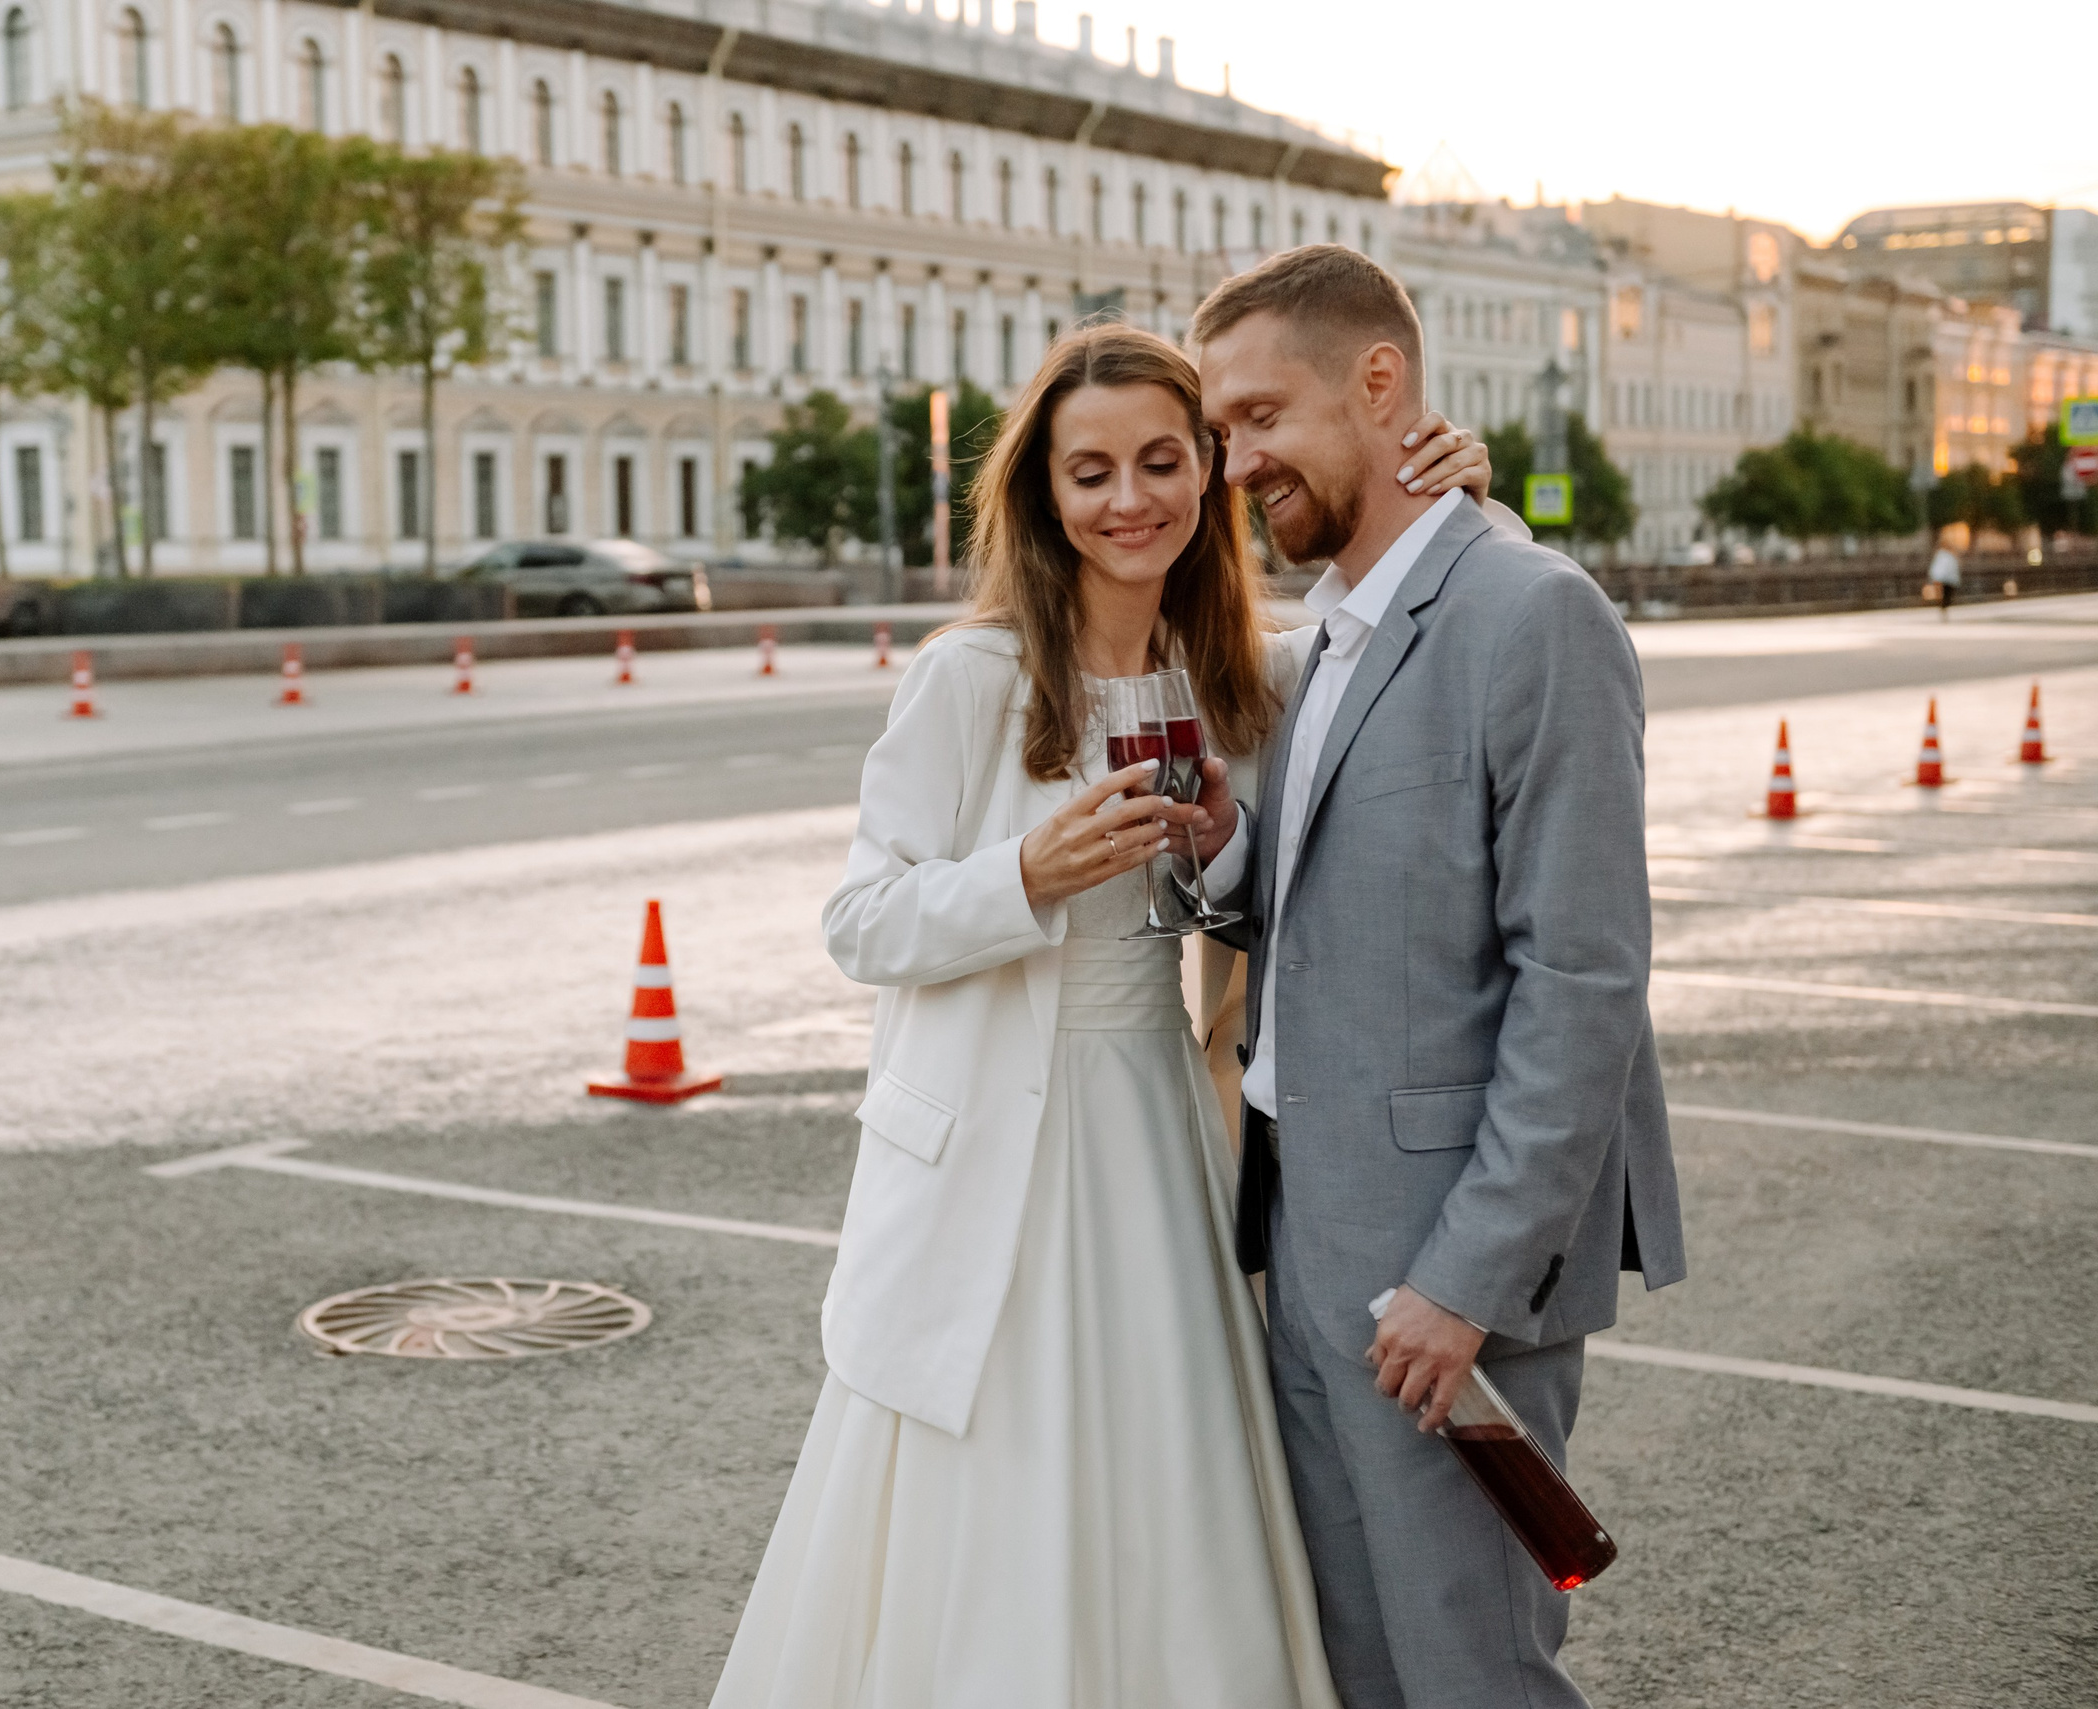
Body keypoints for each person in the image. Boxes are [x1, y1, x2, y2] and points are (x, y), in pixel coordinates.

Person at [709, 322, 1493, 1709]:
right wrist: (1022, 875)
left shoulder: (1248, 679)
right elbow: (859, 923)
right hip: (983, 1168)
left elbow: (1410, 648)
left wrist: (1452, 500)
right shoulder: (972, 676)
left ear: (1210, 472)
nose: (1128, 499)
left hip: (1153, 1132)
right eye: (1089, 472)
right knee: (988, 1490)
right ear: (1044, 495)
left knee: (1168, 1475)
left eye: (1159, 460)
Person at [1185, 244, 1687, 1709]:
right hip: (1301, 1238)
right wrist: (1226, 855)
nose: (1235, 463)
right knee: (1363, 1670)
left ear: (1382, 385)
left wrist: (1464, 1278)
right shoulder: (1317, 639)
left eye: (1262, 417)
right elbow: (1328, 913)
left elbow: (1584, 979)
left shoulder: (1534, 614)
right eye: (1223, 431)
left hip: (1435, 1277)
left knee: (1474, 1673)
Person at [1928, 542, 1962, 620]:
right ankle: (1944, 608)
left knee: (1945, 595)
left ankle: (1943, 608)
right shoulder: (1946, 556)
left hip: (1945, 579)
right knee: (1946, 595)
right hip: (1946, 579)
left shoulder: (1944, 556)